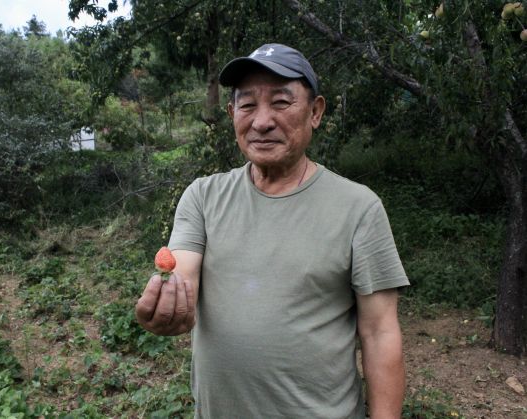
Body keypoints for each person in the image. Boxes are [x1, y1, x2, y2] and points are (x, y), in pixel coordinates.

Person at [135, 43, 409, 419]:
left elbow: (380, 334)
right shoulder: (203, 196)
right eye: (247, 105)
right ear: (232, 114)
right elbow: (180, 273)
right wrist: (170, 306)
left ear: (315, 112)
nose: (261, 121)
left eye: (281, 102)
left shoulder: (359, 208)